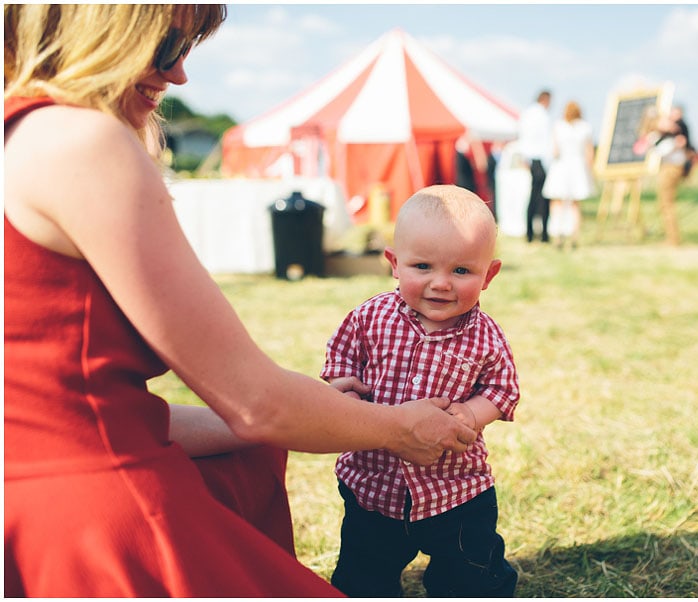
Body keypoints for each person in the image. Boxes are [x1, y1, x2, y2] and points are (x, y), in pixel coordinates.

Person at [4, 5, 475, 597]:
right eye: (167, 45)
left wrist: (312, 413)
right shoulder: (80, 142)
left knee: (244, 458)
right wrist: (396, 427)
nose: (179, 77)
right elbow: (257, 402)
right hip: (93, 525)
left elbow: (89, 414)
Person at [321, 185, 520, 597]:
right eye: (423, 266)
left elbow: (503, 388)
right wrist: (344, 393)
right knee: (364, 573)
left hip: (457, 487)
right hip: (374, 483)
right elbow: (340, 360)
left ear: (490, 275)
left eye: (462, 271)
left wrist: (473, 413)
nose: (441, 284)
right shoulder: (370, 317)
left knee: (471, 574)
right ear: (394, 263)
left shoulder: (484, 336)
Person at [542, 100, 597, 249]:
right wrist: (590, 172)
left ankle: (557, 233)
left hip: (561, 166)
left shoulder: (558, 126)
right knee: (575, 204)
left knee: (557, 203)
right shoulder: (586, 128)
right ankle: (574, 235)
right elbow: (589, 153)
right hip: (578, 167)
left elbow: (555, 151)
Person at [651, 105, 693, 245]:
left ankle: (672, 238)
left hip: (671, 168)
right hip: (669, 167)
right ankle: (670, 236)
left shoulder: (677, 136)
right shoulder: (663, 137)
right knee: (664, 204)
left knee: (666, 203)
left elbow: (662, 151)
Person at [517, 89, 554, 242]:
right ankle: (541, 233)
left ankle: (532, 233)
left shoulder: (529, 114)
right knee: (541, 197)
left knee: (536, 196)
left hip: (535, 159)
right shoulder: (539, 115)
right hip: (539, 160)